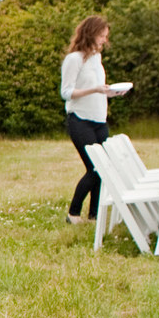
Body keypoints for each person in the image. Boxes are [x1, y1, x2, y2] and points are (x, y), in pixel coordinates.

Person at [59, 14, 123, 224]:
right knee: (95, 167)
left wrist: (110, 92)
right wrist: (94, 89)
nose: (105, 40)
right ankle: (73, 213)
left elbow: (98, 88)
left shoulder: (97, 59)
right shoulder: (74, 59)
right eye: (102, 36)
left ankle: (94, 215)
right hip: (80, 119)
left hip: (99, 119)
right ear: (91, 34)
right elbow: (66, 92)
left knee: (103, 168)